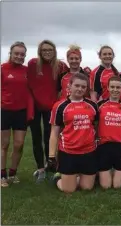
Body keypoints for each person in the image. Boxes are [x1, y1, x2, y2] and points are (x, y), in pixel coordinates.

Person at [49, 73, 98, 193]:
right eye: (77, 85)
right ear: (69, 86)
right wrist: (51, 156)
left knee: (87, 188)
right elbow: (54, 133)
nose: (80, 89)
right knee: (69, 190)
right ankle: (57, 178)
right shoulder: (60, 106)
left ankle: (76, 177)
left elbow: (96, 126)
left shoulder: (92, 105)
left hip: (89, 151)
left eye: (83, 87)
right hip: (68, 152)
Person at [27, 40, 69, 183]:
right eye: (44, 50)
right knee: (36, 137)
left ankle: (50, 164)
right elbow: (29, 84)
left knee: (49, 137)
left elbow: (66, 83)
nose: (47, 52)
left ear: (54, 50)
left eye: (50, 49)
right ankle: (40, 169)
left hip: (51, 106)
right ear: (40, 51)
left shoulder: (61, 65)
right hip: (34, 105)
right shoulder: (33, 64)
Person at [1, 42, 33, 187]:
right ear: (11, 53)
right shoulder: (2, 69)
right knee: (4, 144)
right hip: (5, 111)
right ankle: (2, 175)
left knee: (19, 144)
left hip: (21, 112)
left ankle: (13, 173)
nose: (19, 56)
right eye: (17, 53)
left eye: (22, 54)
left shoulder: (27, 71)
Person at [96, 76, 121, 189]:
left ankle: (118, 170)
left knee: (117, 186)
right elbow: (94, 124)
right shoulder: (99, 105)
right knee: (105, 186)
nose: (115, 90)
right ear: (108, 88)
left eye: (118, 87)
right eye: (113, 87)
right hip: (104, 146)